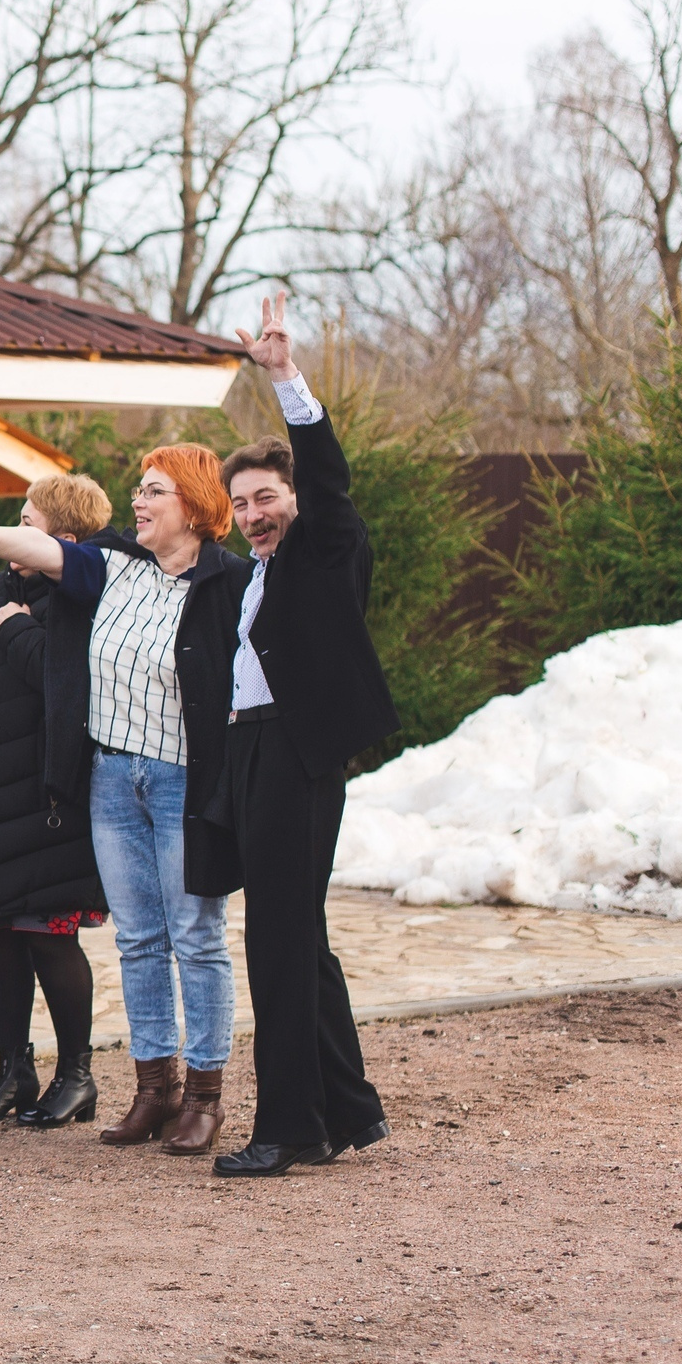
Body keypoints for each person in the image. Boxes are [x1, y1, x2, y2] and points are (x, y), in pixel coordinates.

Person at [0, 438, 252, 1157]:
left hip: (185, 781)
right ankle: (154, 1090)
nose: (139, 499)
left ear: (195, 504)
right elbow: (42, 548)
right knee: (138, 939)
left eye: (155, 490)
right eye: (139, 487)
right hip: (111, 779)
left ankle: (204, 1096)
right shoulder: (115, 564)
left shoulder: (230, 581)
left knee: (195, 938)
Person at [208, 294, 396, 1177]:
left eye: (267, 497)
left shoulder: (327, 547)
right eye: (241, 502)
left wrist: (286, 377)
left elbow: (328, 480)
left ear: (293, 498)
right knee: (297, 936)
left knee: (277, 942)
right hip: (250, 751)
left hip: (298, 752)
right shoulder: (253, 574)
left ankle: (287, 1127)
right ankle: (345, 1109)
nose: (254, 512)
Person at [0, 473, 115, 1128]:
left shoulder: (83, 596)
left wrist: (17, 631)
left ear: (65, 536)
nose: (15, 532)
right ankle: (14, 1070)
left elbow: (67, 682)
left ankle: (77, 1075)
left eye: (27, 522)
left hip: (45, 796)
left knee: (49, 937)